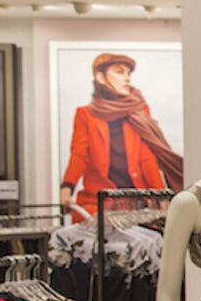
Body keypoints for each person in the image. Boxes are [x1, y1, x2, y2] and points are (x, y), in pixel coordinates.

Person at [60, 52, 184, 218]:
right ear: (100, 77)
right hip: (98, 201)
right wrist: (67, 188)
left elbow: (147, 158)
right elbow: (79, 154)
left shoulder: (138, 111)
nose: (127, 78)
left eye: (128, 73)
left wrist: (161, 196)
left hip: (136, 201)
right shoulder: (85, 114)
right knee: (91, 229)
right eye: (119, 72)